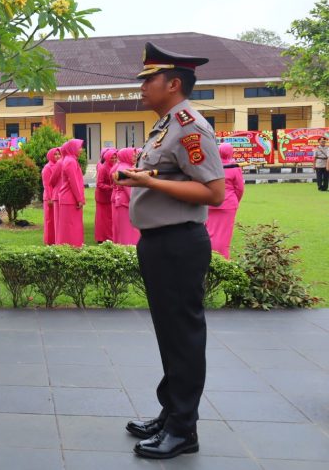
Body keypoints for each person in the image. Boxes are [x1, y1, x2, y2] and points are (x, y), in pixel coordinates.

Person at [117, 42, 225, 459]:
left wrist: (149, 182)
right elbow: (173, 175)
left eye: (149, 79)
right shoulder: (166, 126)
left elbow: (213, 192)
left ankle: (183, 429)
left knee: (183, 336)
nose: (142, 86)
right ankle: (171, 413)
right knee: (169, 334)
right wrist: (141, 176)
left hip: (179, 243)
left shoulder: (190, 126)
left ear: (174, 84)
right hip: (160, 242)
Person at [206, 143, 244, 259]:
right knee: (224, 235)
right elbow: (240, 189)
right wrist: (234, 201)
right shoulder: (234, 168)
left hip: (210, 203)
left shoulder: (211, 167)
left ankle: (209, 257)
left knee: (209, 232)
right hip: (228, 205)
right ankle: (222, 259)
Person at [55, 139, 85, 247]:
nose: (81, 150)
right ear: (73, 148)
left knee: (69, 228)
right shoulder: (71, 161)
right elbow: (74, 182)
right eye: (79, 147)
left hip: (69, 198)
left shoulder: (70, 160)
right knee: (71, 228)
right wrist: (79, 199)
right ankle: (72, 249)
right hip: (70, 199)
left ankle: (69, 249)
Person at [110, 147, 141, 246]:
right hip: (125, 202)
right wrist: (136, 202)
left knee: (123, 229)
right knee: (128, 230)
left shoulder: (122, 166)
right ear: (126, 156)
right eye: (133, 155)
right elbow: (129, 189)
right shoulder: (125, 169)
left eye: (135, 155)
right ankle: (129, 248)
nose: (135, 157)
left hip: (121, 200)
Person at [95, 148, 117, 243]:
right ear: (107, 158)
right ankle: (102, 238)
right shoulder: (103, 168)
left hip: (109, 196)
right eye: (112, 158)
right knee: (102, 219)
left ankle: (109, 237)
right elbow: (99, 184)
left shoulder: (114, 166)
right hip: (103, 197)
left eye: (115, 157)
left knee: (109, 219)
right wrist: (110, 187)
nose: (114, 159)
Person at [42, 148, 61, 245]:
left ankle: (57, 240)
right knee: (49, 220)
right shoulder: (47, 168)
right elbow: (47, 184)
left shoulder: (60, 165)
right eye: (55, 154)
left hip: (58, 196)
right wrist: (50, 198)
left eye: (59, 154)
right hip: (49, 198)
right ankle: (49, 241)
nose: (58, 156)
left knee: (57, 220)